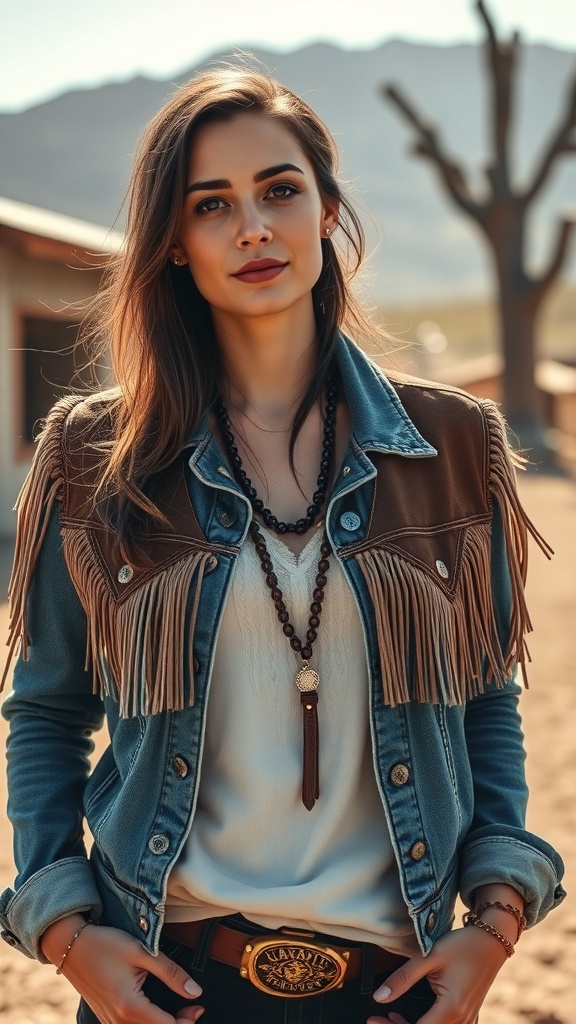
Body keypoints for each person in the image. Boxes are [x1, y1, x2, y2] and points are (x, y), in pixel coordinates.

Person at [0, 66, 565, 1024]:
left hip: (395, 989)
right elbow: (48, 710)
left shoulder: (453, 447)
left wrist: (496, 921)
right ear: (174, 245)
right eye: (211, 205)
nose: (253, 227)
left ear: (328, 210)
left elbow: (486, 701)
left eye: (279, 190)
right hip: (164, 980)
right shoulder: (93, 459)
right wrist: (62, 929)